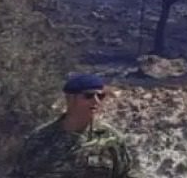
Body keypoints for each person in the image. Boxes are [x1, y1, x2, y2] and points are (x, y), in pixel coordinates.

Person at [9, 73, 138, 178]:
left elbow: (126, 173)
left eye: (100, 96)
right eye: (88, 96)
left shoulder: (111, 139)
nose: (96, 101)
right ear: (70, 99)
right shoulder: (40, 139)